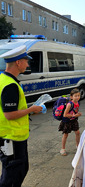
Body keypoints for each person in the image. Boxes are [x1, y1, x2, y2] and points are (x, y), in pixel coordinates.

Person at [0, 45, 43, 186]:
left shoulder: (3, 79)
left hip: (9, 137)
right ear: (18, 62)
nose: (28, 64)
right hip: (12, 138)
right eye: (26, 61)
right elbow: (9, 114)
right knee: (12, 177)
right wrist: (31, 109)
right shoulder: (10, 85)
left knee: (16, 172)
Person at [58, 88, 82, 156]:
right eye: (75, 96)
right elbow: (65, 115)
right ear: (71, 97)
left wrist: (77, 114)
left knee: (77, 132)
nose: (77, 97)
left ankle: (78, 146)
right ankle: (62, 149)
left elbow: (75, 111)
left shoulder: (78, 102)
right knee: (66, 134)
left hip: (73, 120)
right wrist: (74, 115)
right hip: (67, 121)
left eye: (78, 95)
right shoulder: (69, 104)